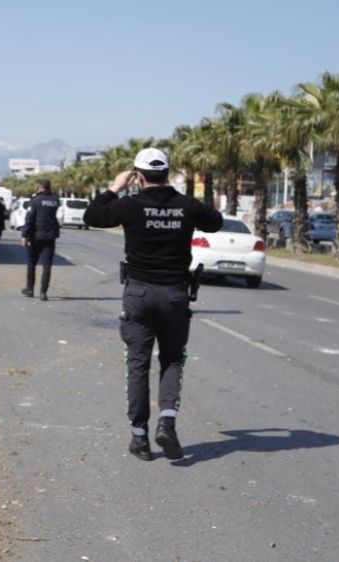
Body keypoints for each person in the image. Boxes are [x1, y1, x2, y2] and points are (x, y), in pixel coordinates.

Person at [83, 147, 223, 462]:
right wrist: (190, 202)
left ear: (138, 176)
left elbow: (92, 216)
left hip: (139, 294)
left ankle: (140, 438)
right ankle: (167, 423)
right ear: (168, 174)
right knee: (172, 360)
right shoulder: (185, 205)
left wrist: (114, 188)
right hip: (174, 295)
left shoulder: (130, 205)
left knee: (138, 364)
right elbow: (214, 222)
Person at [21, 180, 60, 300]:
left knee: (32, 262)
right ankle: (43, 293)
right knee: (47, 266)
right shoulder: (55, 200)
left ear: (40, 187)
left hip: (35, 236)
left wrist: (24, 235)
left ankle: (30, 289)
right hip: (50, 236)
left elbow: (30, 219)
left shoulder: (35, 200)